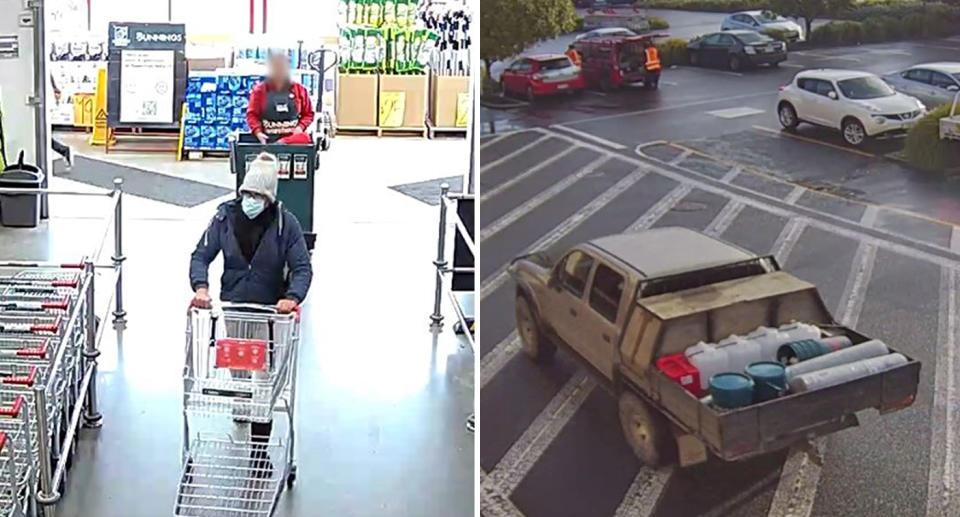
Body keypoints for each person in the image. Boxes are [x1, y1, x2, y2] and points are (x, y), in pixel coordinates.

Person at [189, 152, 312, 451]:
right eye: (247, 192)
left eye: (257, 194)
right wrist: (201, 288)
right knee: (240, 368)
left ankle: (259, 452)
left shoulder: (286, 224)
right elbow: (201, 255)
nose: (250, 199)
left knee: (264, 379)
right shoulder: (225, 217)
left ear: (269, 197)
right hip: (234, 306)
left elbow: (302, 268)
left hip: (269, 313)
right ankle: (241, 405)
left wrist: (291, 297)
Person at [245, 53, 315, 144]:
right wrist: (258, 132)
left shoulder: (299, 89)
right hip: (267, 139)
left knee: (305, 138)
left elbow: (308, 113)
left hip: (293, 141)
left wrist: (300, 127)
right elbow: (252, 115)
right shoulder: (259, 91)